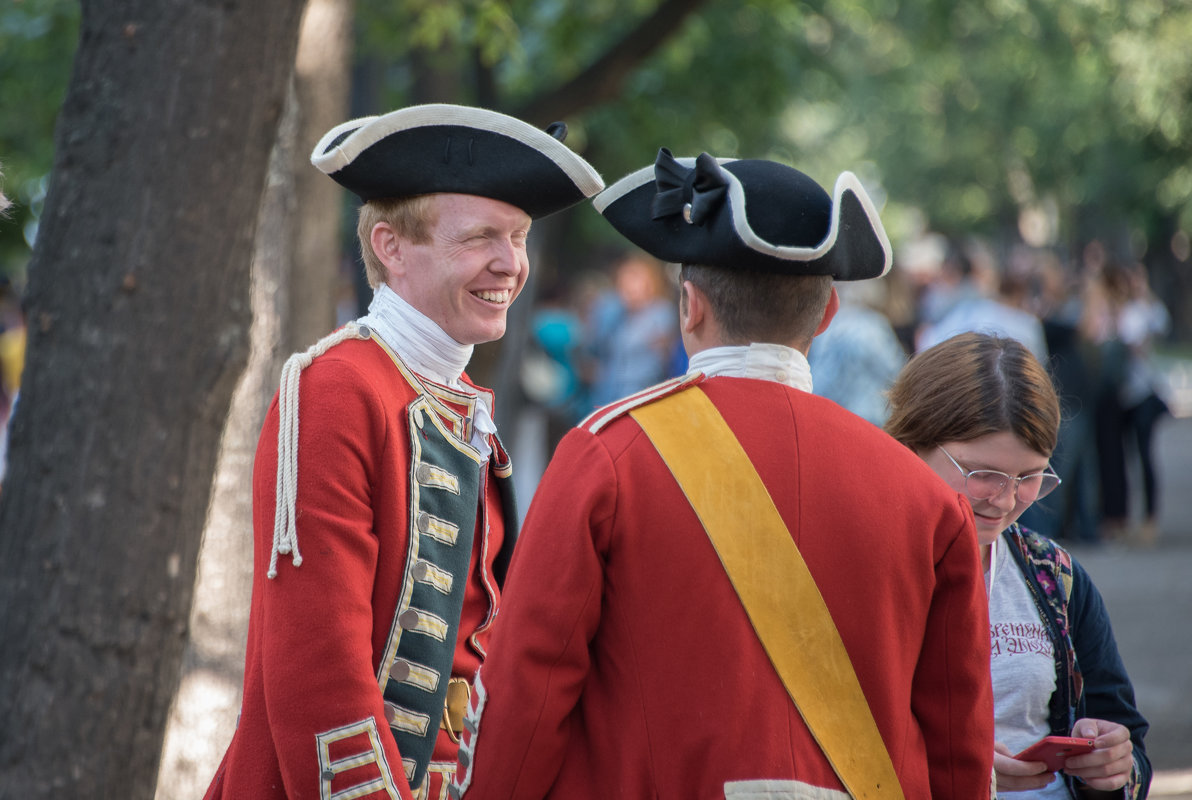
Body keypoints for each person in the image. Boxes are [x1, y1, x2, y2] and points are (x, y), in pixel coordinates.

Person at [452, 148, 995, 799]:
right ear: (826, 315)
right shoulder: (927, 498)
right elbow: (960, 744)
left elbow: (527, 696)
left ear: (690, 306)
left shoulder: (607, 455)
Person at [202, 103, 603, 800]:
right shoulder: (334, 389)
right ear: (390, 246)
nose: (510, 264)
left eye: (518, 238)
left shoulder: (456, 397)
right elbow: (318, 674)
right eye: (481, 237)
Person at [884, 332, 1152, 799]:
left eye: (1030, 477)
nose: (1005, 500)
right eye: (980, 474)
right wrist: (956, 764)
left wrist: (1111, 767)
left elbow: (1129, 746)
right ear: (910, 446)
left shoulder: (1056, 575)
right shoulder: (862, 567)